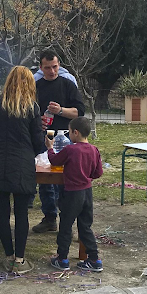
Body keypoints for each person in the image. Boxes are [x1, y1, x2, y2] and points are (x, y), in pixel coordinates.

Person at [0, 66, 46, 274]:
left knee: (2, 212)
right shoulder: (32, 107)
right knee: (21, 212)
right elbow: (38, 143)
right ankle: (20, 259)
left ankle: (8, 256)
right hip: (22, 164)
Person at [33, 49, 85, 233]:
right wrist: (36, 119)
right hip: (44, 135)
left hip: (65, 136)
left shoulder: (68, 84)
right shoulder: (36, 86)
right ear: (41, 68)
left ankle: (67, 219)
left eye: (54, 67)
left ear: (59, 65)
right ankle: (49, 217)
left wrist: (61, 111)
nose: (52, 71)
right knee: (45, 178)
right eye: (47, 68)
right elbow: (28, 112)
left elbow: (80, 112)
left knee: (66, 178)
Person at [45, 116, 103, 272]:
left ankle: (62, 258)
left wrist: (50, 148)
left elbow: (55, 161)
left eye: (69, 132)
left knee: (66, 225)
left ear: (75, 132)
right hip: (87, 192)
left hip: (72, 193)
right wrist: (86, 176)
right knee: (85, 226)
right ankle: (94, 259)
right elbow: (98, 172)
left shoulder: (70, 149)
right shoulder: (94, 149)